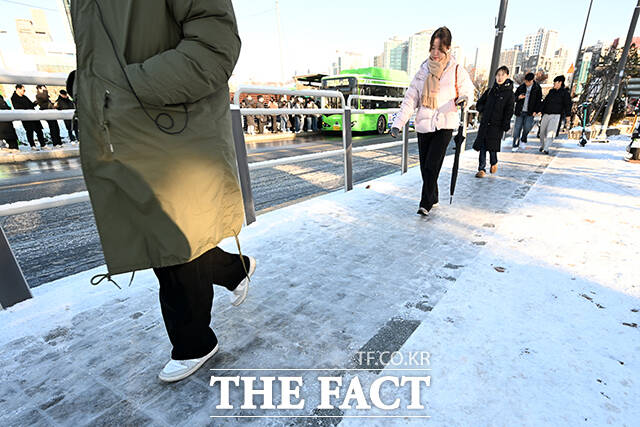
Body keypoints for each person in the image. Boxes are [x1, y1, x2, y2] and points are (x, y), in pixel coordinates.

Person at [72, 0, 255, 383]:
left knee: (172, 242)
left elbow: (215, 45)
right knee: (164, 238)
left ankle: (194, 343)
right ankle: (233, 269)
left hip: (165, 121)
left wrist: (126, 85)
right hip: (126, 124)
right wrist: (88, 84)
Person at [390, 26, 474, 216]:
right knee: (424, 168)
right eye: (433, 48)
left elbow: (467, 90)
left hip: (444, 124)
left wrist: (465, 99)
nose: (435, 53)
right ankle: (433, 195)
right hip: (423, 125)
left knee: (431, 166)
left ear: (448, 49)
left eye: (440, 49)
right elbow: (410, 99)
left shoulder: (456, 70)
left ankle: (425, 203)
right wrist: (398, 123)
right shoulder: (423, 71)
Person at [472, 66, 515, 178]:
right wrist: (483, 109)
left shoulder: (509, 94)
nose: (500, 77)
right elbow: (479, 103)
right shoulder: (490, 91)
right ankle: (481, 169)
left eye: (502, 75)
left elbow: (509, 110)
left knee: (492, 148)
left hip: (497, 125)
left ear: (507, 76)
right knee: (482, 147)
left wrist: (505, 123)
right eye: (498, 75)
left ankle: (494, 162)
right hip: (485, 123)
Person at [539, 75, 572, 155]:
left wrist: (568, 116)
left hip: (556, 115)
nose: (554, 84)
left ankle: (546, 148)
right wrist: (540, 110)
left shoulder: (565, 93)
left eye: (555, 82)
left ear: (560, 83)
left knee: (551, 132)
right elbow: (545, 102)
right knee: (541, 132)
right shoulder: (551, 92)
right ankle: (543, 145)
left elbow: (568, 105)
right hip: (546, 114)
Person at [512, 72, 542, 152]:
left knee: (527, 127)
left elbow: (538, 100)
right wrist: (518, 97)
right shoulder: (521, 87)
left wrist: (536, 110)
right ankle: (515, 144)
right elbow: (514, 97)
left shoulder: (537, 88)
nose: (527, 83)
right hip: (520, 111)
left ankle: (523, 138)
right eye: (526, 81)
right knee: (517, 129)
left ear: (532, 80)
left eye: (528, 82)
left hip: (530, 112)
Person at [11, 84, 46, 150]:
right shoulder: (14, 98)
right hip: (25, 117)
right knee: (30, 131)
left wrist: (35, 103)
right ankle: (33, 146)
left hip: (33, 115)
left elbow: (30, 105)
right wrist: (27, 108)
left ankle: (43, 145)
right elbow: (17, 108)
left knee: (39, 130)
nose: (24, 91)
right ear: (18, 89)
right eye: (23, 90)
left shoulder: (24, 97)